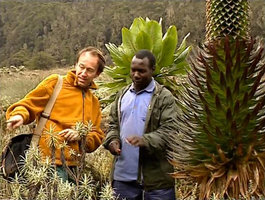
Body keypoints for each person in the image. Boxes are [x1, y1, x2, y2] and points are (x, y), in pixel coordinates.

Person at [6, 46, 106, 182]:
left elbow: (97, 135)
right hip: (46, 163)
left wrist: (81, 136)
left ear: (97, 74)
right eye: (81, 67)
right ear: (75, 65)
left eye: (89, 70)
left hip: (75, 168)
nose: (83, 73)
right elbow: (28, 104)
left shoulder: (93, 102)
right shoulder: (56, 83)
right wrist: (19, 115)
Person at [103, 50, 177, 200]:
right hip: (122, 180)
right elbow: (113, 125)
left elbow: (171, 130)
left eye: (142, 71)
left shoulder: (164, 98)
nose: (136, 75)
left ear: (152, 70)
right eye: (133, 70)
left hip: (156, 183)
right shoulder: (122, 95)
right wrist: (112, 140)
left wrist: (145, 140)